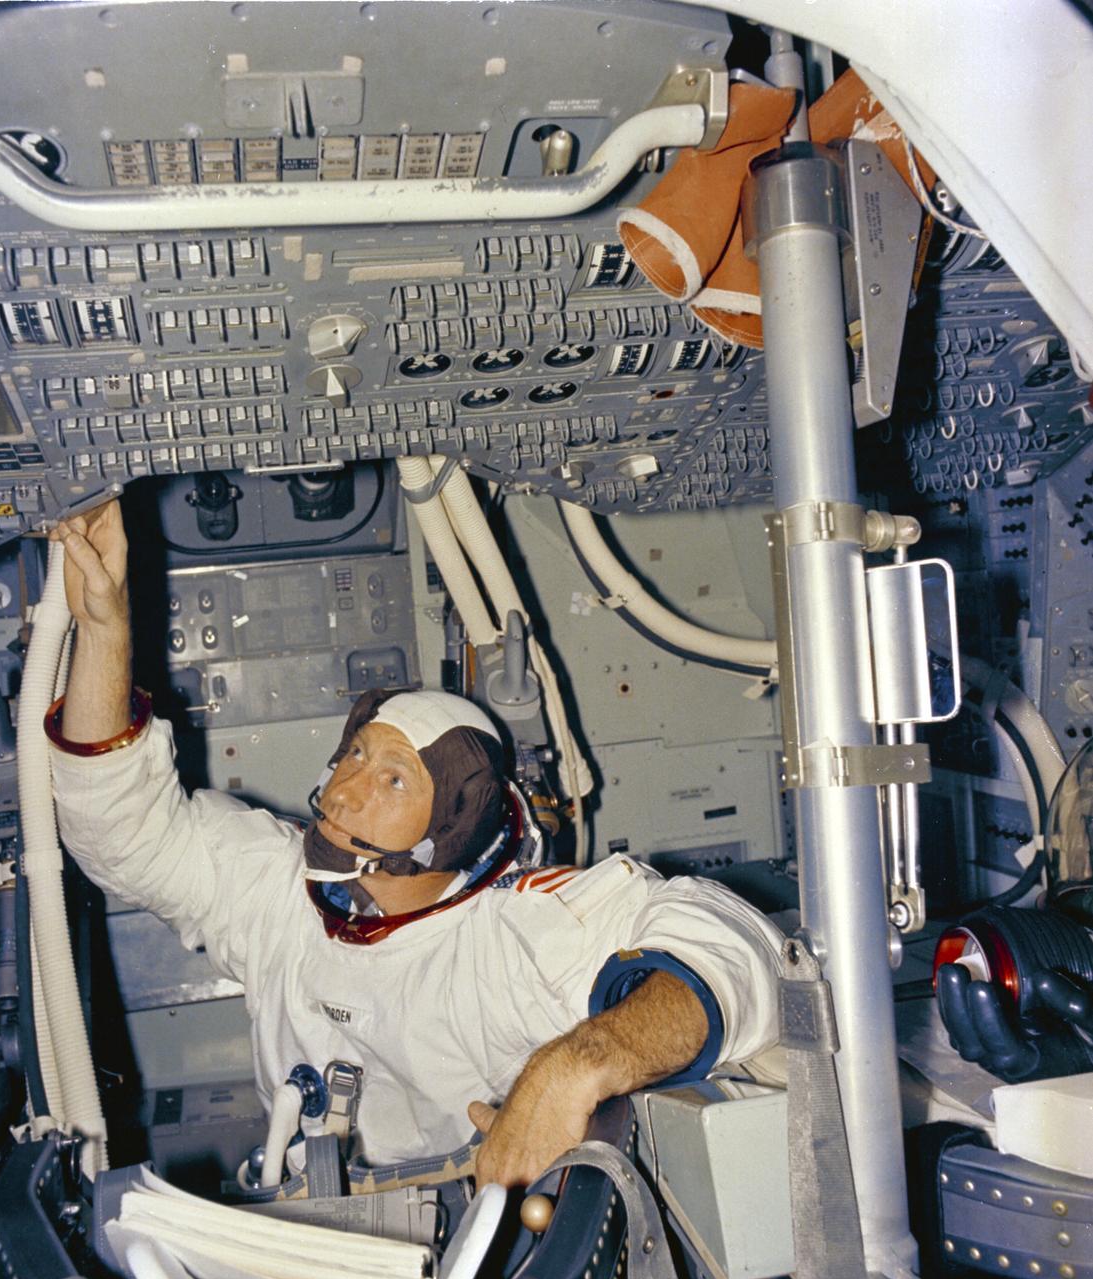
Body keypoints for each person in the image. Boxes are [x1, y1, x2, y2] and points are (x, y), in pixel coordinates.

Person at [47, 499, 784, 1188]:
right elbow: (119, 829)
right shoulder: (270, 889)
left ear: (450, 828)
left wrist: (576, 1065)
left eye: (393, 779)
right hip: (306, 1215)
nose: (343, 791)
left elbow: (734, 951)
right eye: (354, 755)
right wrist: (104, 633)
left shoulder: (511, 935)